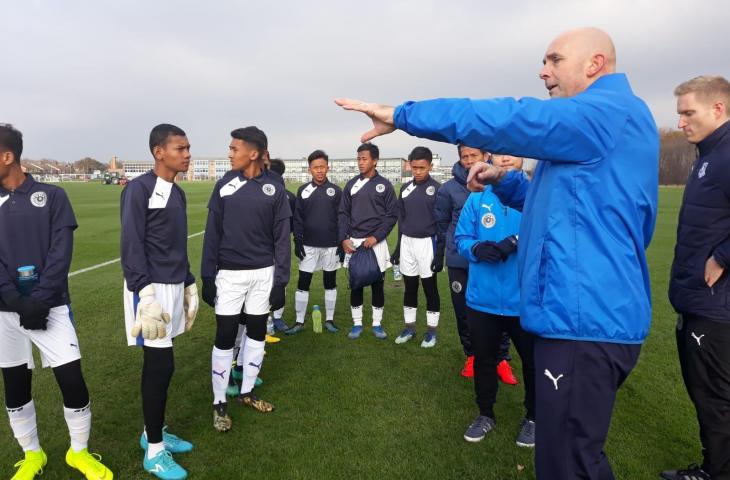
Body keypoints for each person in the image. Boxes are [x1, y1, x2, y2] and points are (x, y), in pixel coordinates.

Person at [335, 26, 659, 479]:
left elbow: (509, 119)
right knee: (564, 456)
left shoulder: (602, 113)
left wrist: (403, 114)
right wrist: (504, 182)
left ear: (595, 64)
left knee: (569, 462)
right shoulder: (603, 124)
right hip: (580, 313)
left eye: (554, 59)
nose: (542, 70)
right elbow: (559, 209)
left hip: (583, 318)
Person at [0, 124, 113, 480]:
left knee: (71, 378)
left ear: (7, 156)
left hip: (52, 306)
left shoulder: (52, 196)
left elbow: (61, 253)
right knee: (15, 383)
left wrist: (41, 299)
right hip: (5, 310)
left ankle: (78, 452)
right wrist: (17, 301)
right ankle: (32, 454)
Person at [201, 126, 291, 432]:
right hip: (229, 274)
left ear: (253, 153)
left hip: (264, 274)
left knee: (256, 332)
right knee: (225, 335)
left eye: (234, 149)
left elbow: (282, 239)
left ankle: (247, 392)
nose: (229, 153)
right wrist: (207, 275)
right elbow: (212, 233)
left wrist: (281, 282)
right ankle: (219, 402)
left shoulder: (275, 188)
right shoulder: (224, 185)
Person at [120, 123, 197, 480]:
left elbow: (175, 243)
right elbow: (132, 244)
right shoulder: (138, 189)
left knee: (164, 364)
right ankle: (153, 452)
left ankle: (155, 429)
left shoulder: (177, 193)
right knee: (160, 365)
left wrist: (189, 283)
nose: (186, 154)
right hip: (148, 289)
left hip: (172, 283)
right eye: (180, 149)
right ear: (158, 152)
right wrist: (145, 293)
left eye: (187, 148)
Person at [664, 75, 730, 480]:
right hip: (698, 302)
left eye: (689, 113)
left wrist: (722, 256)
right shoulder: (708, 156)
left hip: (715, 308)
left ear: (718, 109)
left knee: (715, 399)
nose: (682, 122)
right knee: (708, 396)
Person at [454, 162, 535, 447]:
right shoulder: (477, 199)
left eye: (512, 153)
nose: (505, 159)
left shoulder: (535, 195)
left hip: (524, 301)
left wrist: (514, 241)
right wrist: (476, 248)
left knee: (533, 363)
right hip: (483, 300)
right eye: (499, 153)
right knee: (484, 361)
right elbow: (461, 238)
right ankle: (485, 414)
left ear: (522, 158)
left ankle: (534, 418)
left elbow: (549, 232)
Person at [434, 145, 518, 383]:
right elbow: (442, 223)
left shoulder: (499, 185)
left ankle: (502, 359)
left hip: (493, 260)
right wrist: (452, 248)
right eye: (464, 157)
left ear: (485, 157)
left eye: (474, 156)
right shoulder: (449, 189)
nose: (469, 161)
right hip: (460, 260)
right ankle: (471, 355)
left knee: (499, 309)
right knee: (463, 312)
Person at [339, 142, 398, 340]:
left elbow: (391, 215)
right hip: (354, 243)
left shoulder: (385, 185)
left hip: (376, 244)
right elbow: (343, 213)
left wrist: (376, 236)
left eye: (364, 159)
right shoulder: (351, 185)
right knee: (355, 284)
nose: (360, 163)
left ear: (375, 161)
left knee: (377, 285)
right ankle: (357, 324)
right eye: (358, 159)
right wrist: (344, 239)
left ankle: (376, 324)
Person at [391, 146, 443, 347]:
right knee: (410, 287)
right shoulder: (405, 189)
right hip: (407, 243)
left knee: (430, 288)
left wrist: (439, 253)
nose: (418, 171)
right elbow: (401, 221)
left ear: (430, 166)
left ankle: (431, 332)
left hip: (427, 244)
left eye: (422, 167)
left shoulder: (438, 189)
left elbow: (442, 223)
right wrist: (397, 247)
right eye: (414, 167)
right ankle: (409, 328)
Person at [287, 149, 343, 335]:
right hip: (309, 245)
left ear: (328, 167)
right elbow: (298, 219)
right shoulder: (303, 190)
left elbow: (341, 218)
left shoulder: (336, 191)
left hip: (331, 245)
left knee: (330, 282)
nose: (319, 171)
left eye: (322, 167)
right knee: (303, 283)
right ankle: (299, 321)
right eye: (315, 167)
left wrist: (341, 242)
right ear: (309, 169)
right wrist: (298, 242)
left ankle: (329, 320)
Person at [267, 158, 296, 333]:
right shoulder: (290, 195)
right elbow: (293, 226)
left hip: (263, 246)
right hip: (280, 246)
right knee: (279, 280)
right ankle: (276, 318)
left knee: (266, 282)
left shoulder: (282, 195)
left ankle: (268, 318)